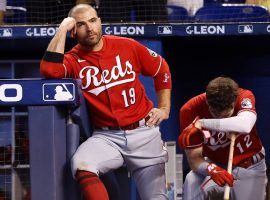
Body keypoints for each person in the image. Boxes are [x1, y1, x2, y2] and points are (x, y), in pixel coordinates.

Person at [40, 4, 172, 200]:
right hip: (107, 137)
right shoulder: (73, 60)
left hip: (144, 132)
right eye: (81, 24)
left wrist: (164, 108)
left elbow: (161, 68)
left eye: (93, 21)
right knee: (81, 164)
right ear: (74, 31)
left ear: (100, 21)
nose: (90, 28)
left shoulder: (127, 46)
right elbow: (49, 70)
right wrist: (61, 29)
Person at [178, 76, 267, 200]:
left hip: (250, 166)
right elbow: (194, 159)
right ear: (207, 102)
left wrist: (201, 123)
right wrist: (211, 169)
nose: (222, 120)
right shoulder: (190, 110)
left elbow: (245, 125)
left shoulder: (244, 96)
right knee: (191, 180)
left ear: (233, 102)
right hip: (216, 164)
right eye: (216, 114)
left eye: (226, 116)